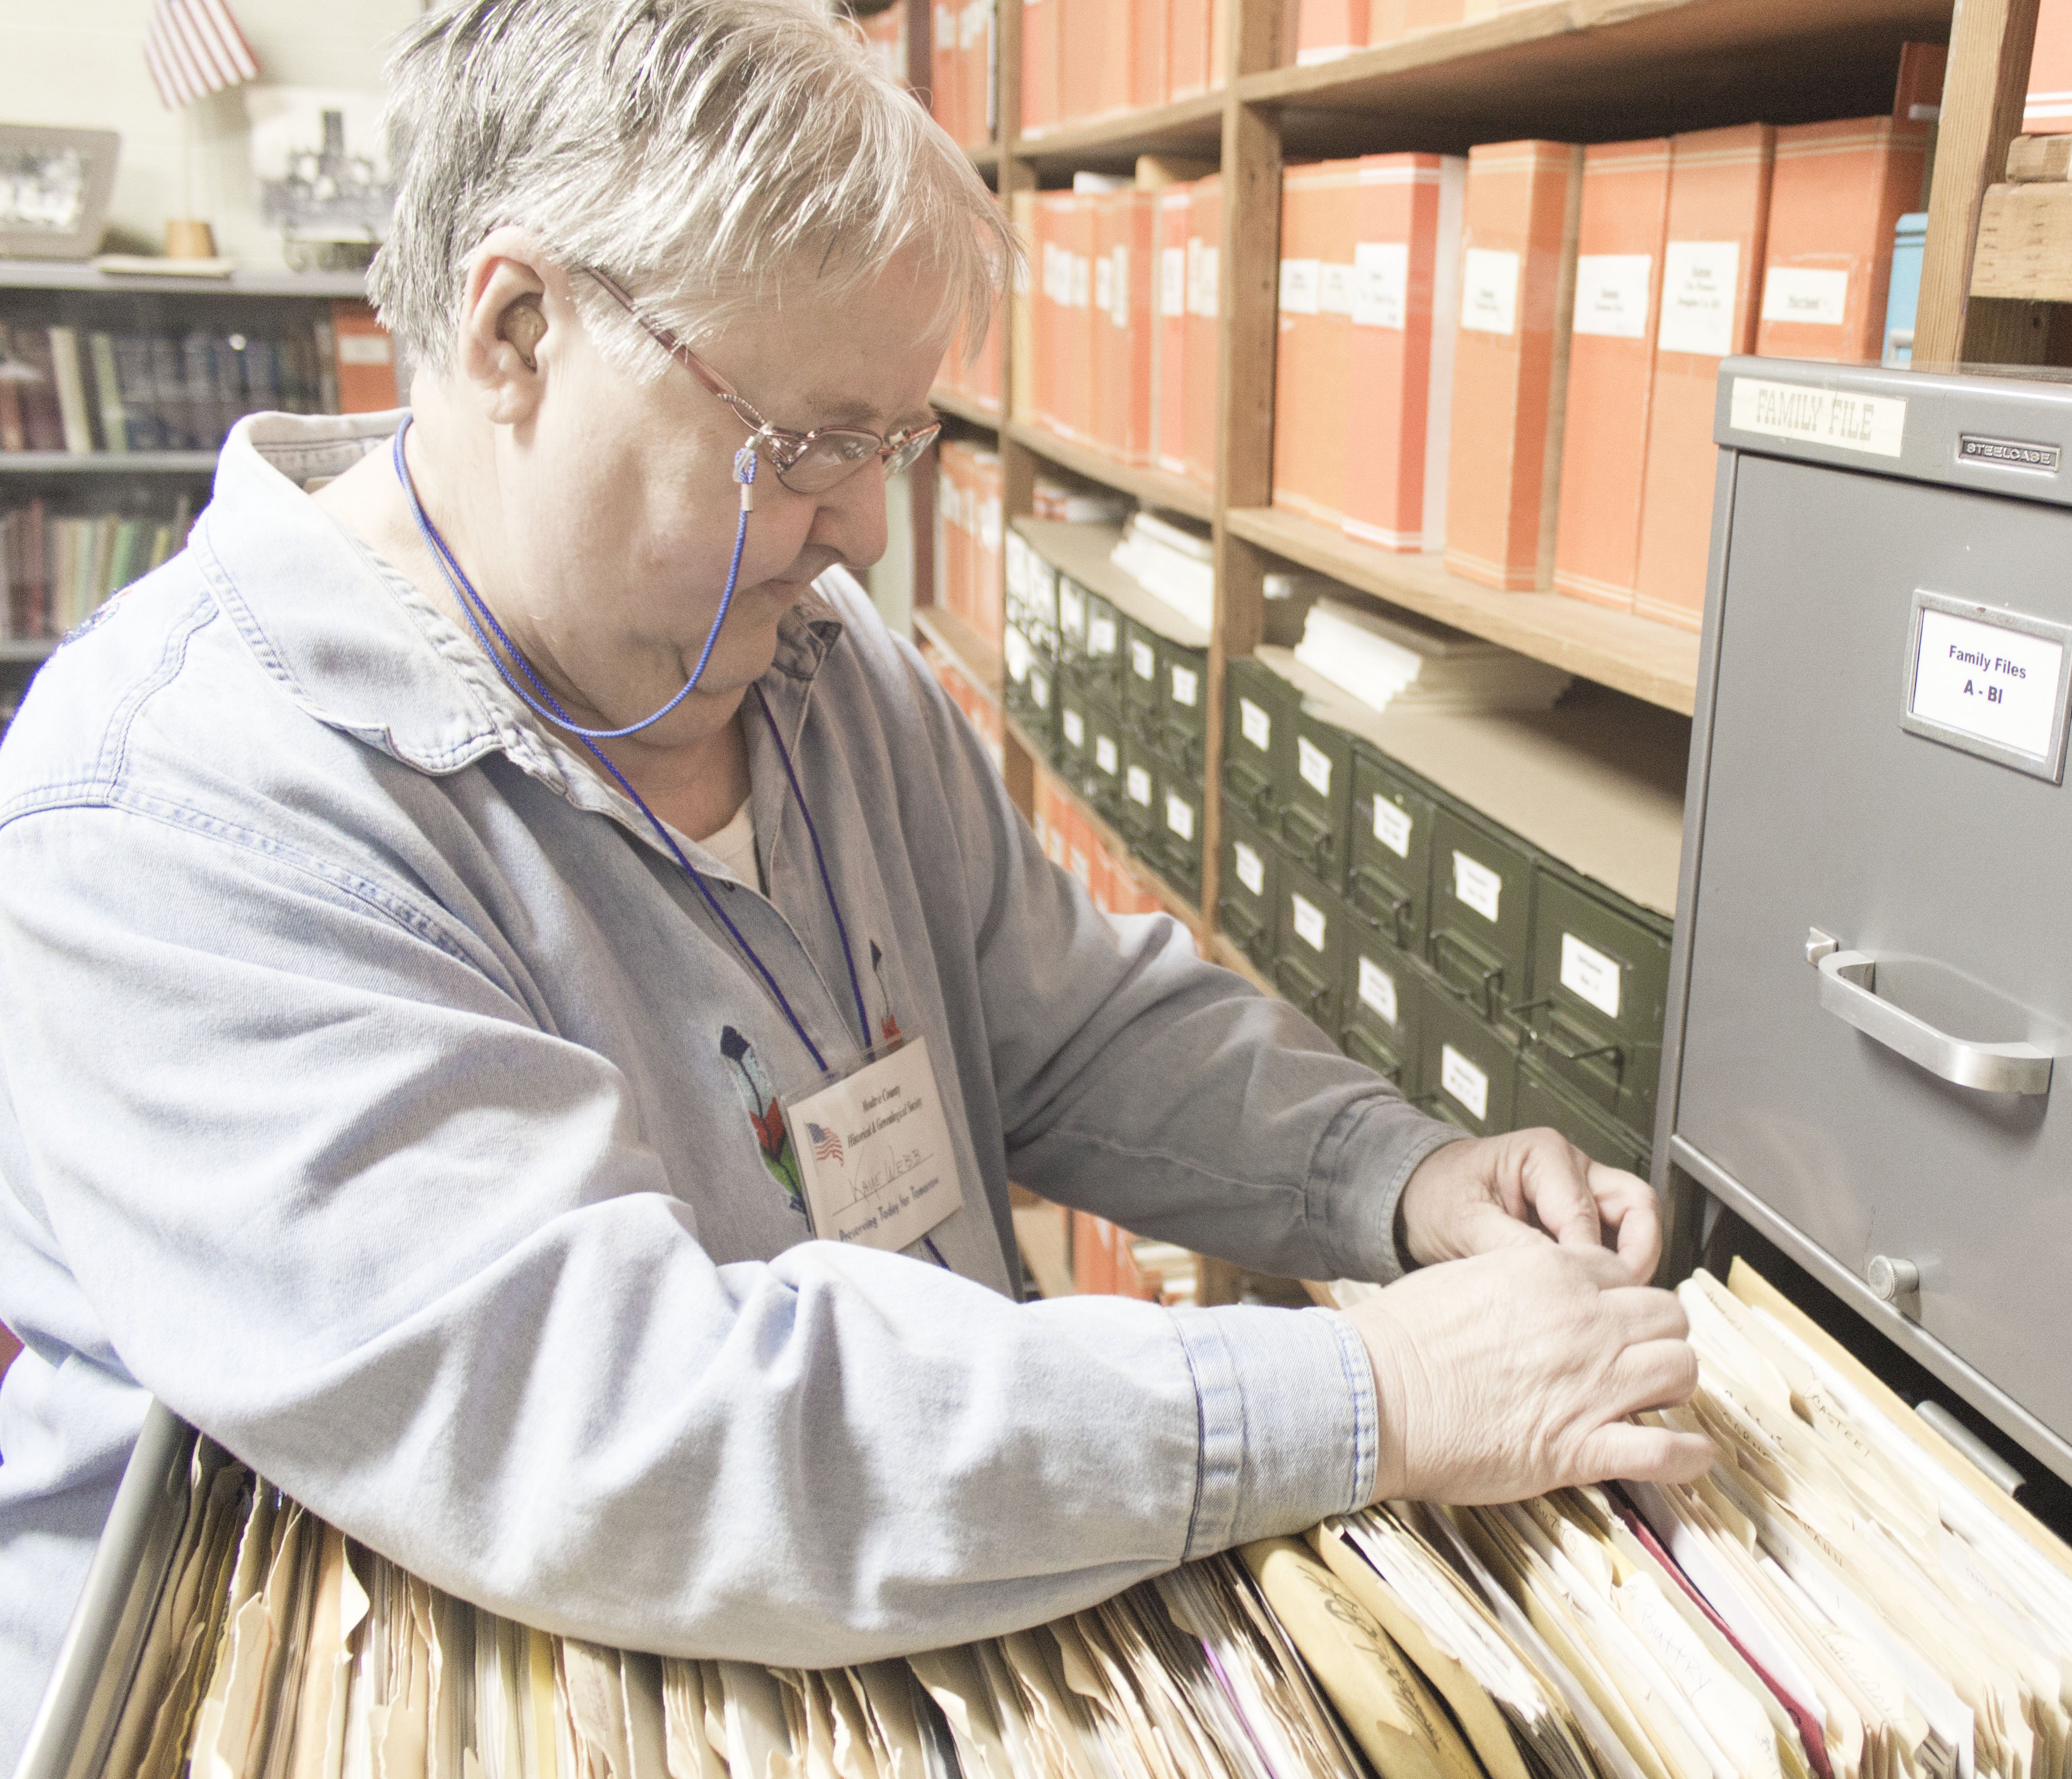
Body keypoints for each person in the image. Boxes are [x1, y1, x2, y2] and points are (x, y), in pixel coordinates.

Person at [0, 0, 1709, 1758]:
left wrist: (1394, 1176)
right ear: (519, 327)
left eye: (894, 444)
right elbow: (631, 1434)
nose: (868, 535)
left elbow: (1067, 1022)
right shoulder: (167, 818)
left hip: (891, 1635)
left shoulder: (812, 664)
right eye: (806, 442)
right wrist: (1378, 1393)